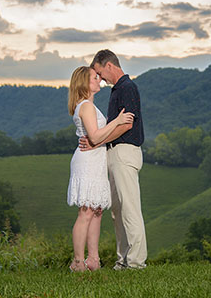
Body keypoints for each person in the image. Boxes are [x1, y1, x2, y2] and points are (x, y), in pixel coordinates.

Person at [80, 49, 147, 270]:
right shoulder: (118, 90)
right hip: (115, 153)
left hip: (125, 151)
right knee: (117, 211)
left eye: (100, 73)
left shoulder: (127, 88)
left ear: (109, 66)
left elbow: (127, 125)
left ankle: (136, 262)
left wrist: (96, 143)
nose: (101, 79)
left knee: (129, 208)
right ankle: (123, 260)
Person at [66, 65, 134, 272]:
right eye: (95, 77)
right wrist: (117, 122)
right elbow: (95, 137)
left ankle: (93, 260)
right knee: (86, 212)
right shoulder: (85, 106)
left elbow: (95, 136)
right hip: (87, 161)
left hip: (95, 160)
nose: (99, 80)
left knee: (96, 211)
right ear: (84, 83)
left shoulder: (88, 105)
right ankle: (78, 262)